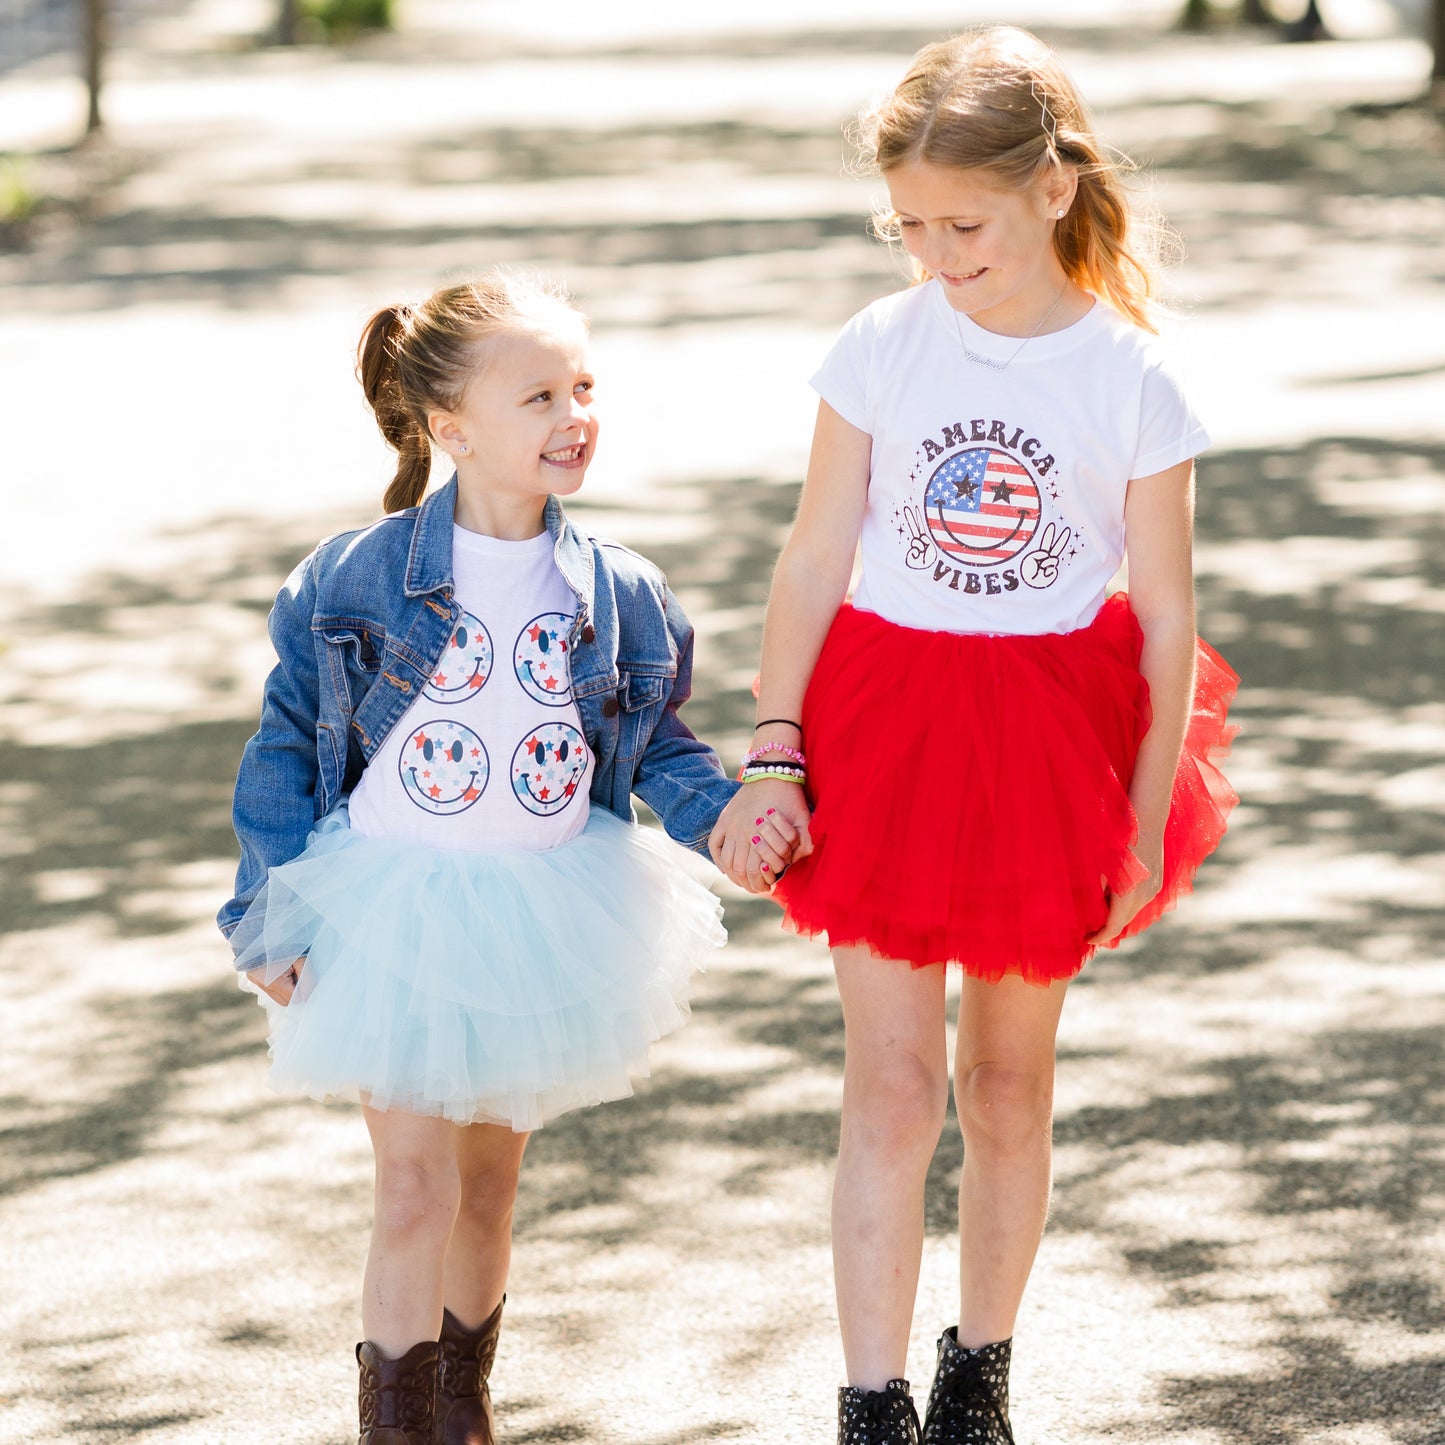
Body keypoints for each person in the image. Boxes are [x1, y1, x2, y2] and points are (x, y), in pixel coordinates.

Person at [709, 26, 1238, 1445]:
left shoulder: (1131, 377)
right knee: (888, 1080)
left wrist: (1137, 817)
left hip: (1051, 738)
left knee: (1007, 1083)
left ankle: (976, 1374)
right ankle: (869, 1399)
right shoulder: (881, 344)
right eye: (910, 228)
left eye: (965, 225)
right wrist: (775, 742)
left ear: (1054, 189)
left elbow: (1170, 622)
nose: (937, 256)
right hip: (884, 720)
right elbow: (813, 555)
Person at [217, 272, 784, 1445]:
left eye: (583, 386)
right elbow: (282, 744)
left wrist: (723, 815)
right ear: (451, 427)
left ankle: (460, 1399)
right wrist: (266, 911)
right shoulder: (355, 578)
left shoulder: (620, 590)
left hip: (539, 909)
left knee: (486, 1188)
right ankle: (394, 1423)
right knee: (414, 1186)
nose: (572, 411)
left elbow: (651, 744)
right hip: (390, 908)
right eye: (538, 393)